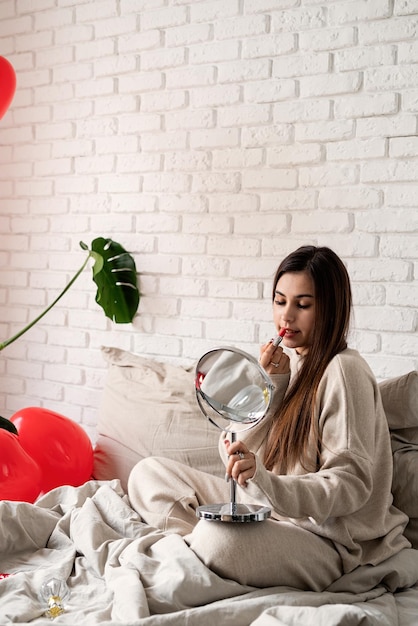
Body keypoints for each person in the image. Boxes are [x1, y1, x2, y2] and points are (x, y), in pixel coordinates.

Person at [128, 245, 410, 591]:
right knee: (148, 473)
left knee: (221, 541)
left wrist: (265, 481)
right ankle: (201, 548)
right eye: (280, 301)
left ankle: (203, 547)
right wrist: (271, 386)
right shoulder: (289, 368)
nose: (286, 318)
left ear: (330, 309)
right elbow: (232, 449)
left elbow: (350, 484)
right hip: (267, 511)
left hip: (327, 542)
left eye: (302, 305)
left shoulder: (344, 371)